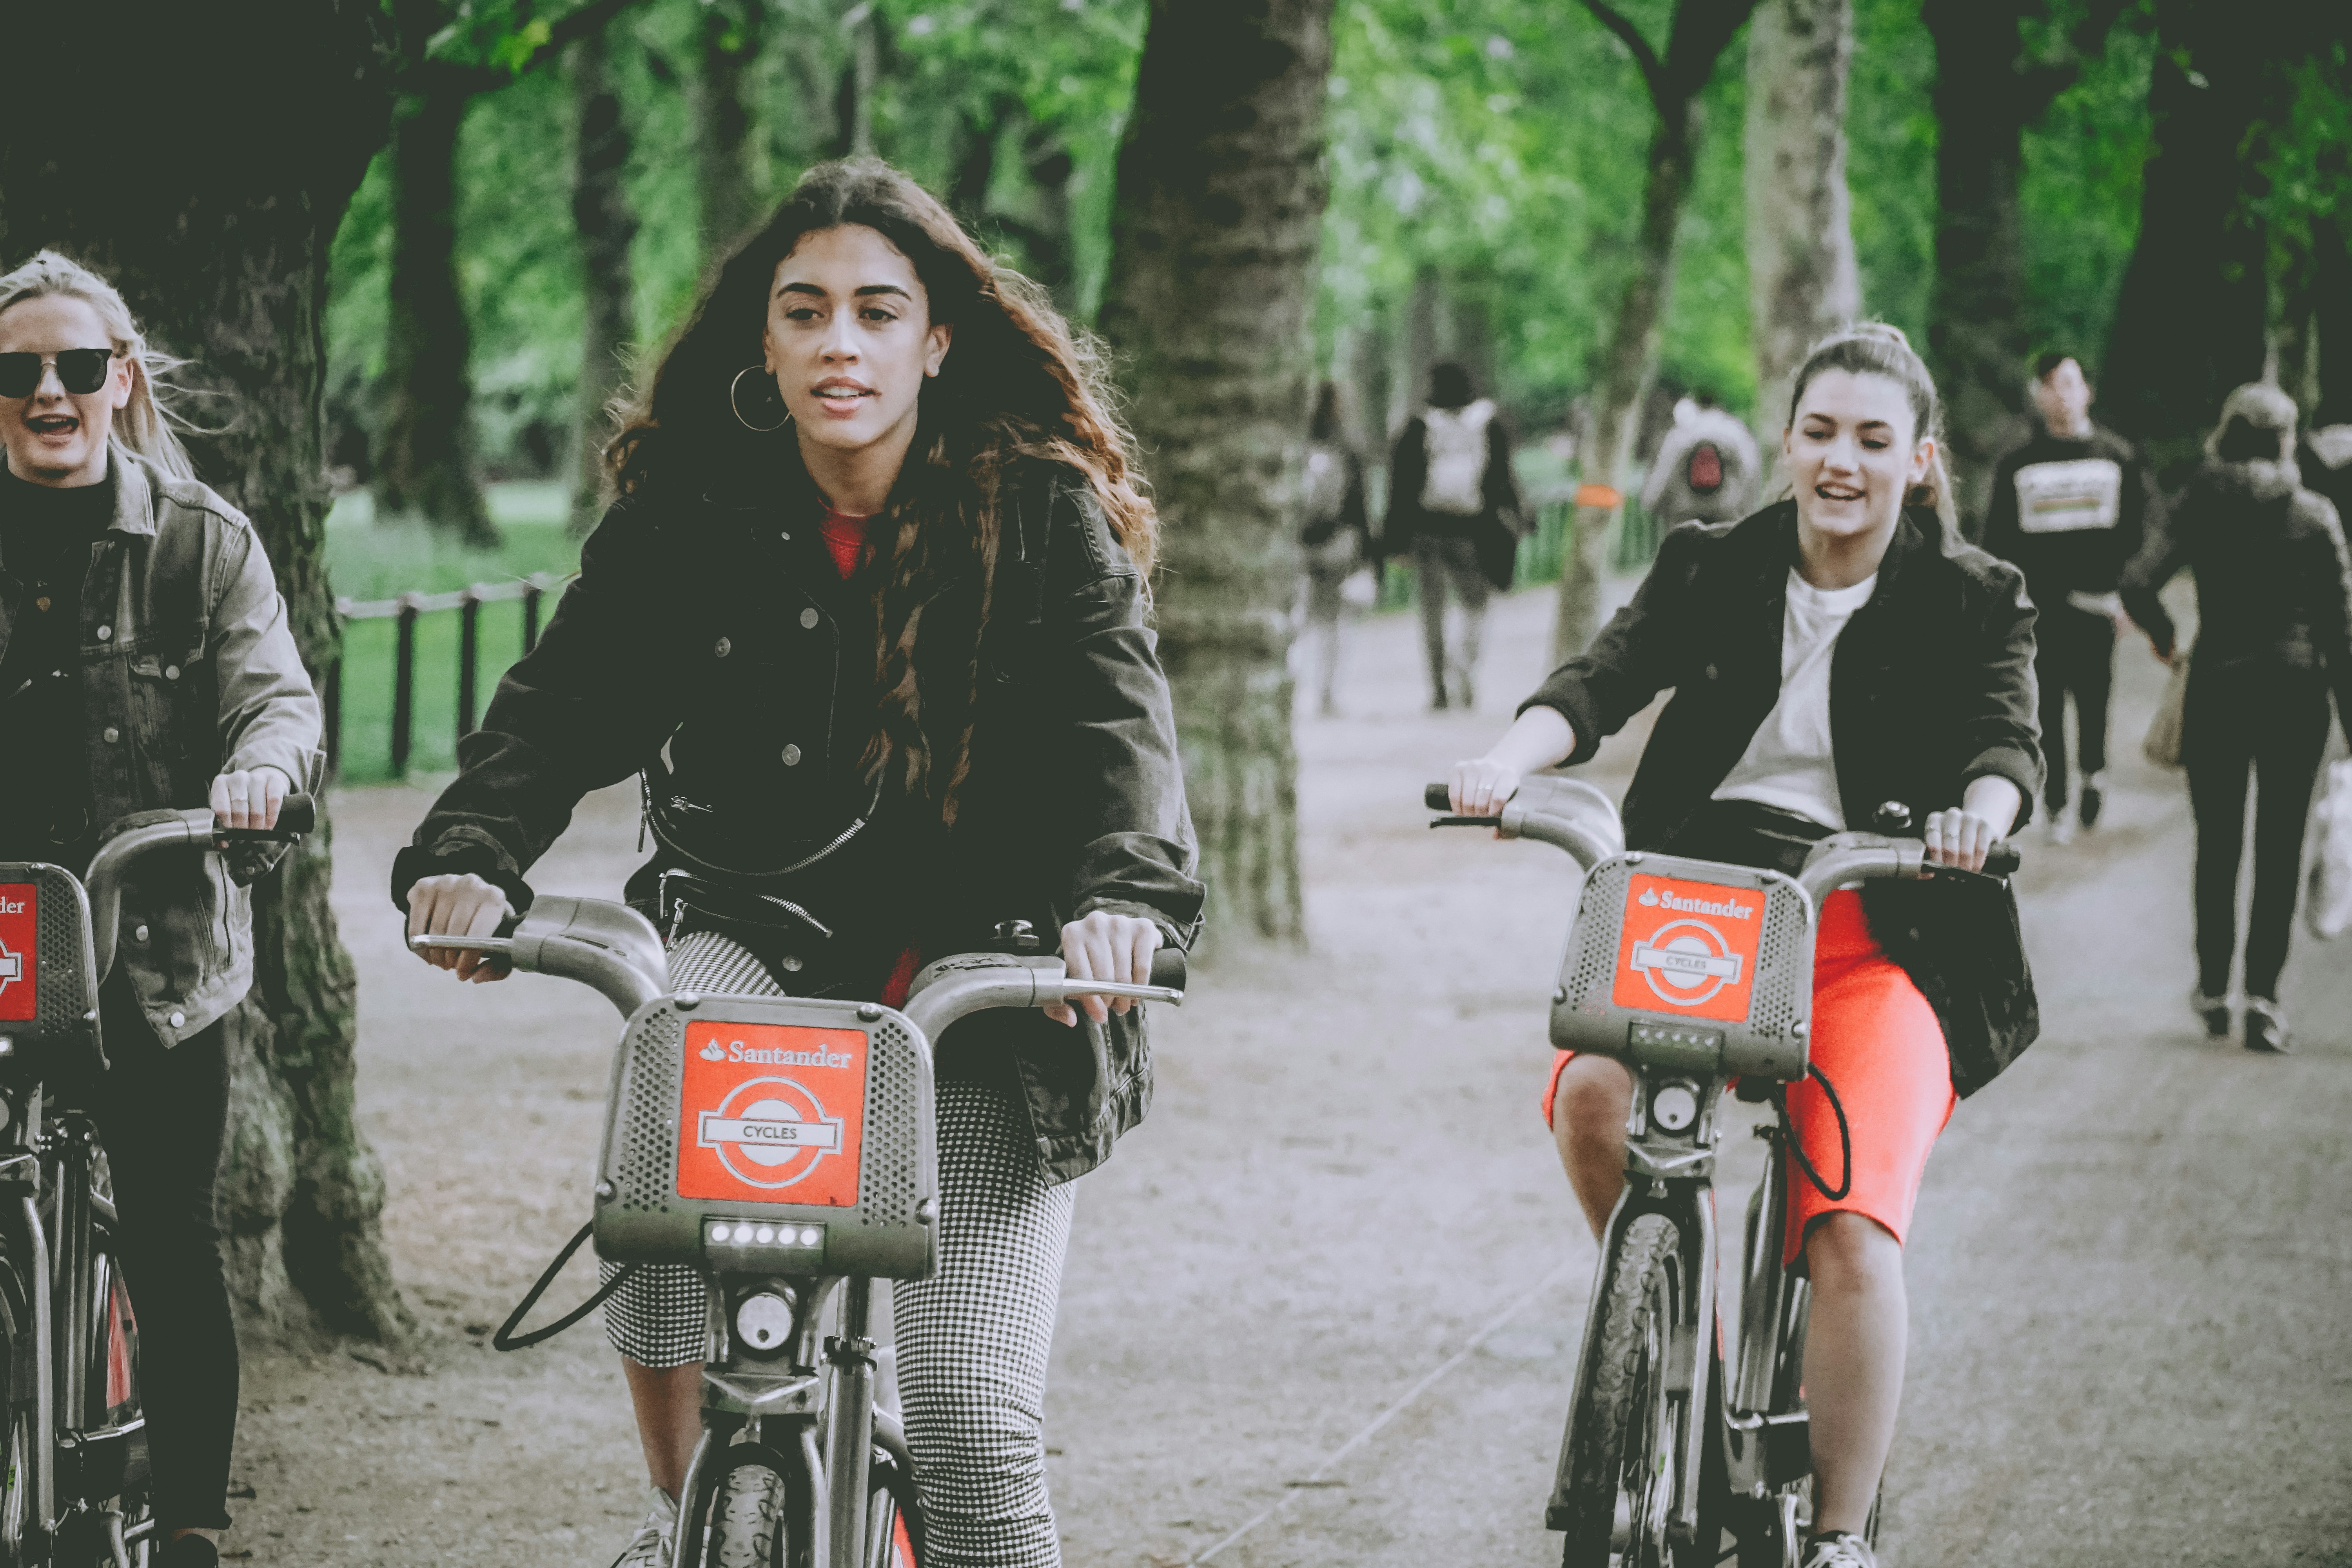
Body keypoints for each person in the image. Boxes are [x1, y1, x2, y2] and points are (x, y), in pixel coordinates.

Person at [395, 160, 1201, 1568]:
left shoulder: (1043, 513)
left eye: (877, 311)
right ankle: (687, 1514)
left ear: (935, 340)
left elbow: (1117, 728)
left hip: (993, 979)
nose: (841, 341)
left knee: (972, 1434)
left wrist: (1123, 897)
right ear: (763, 342)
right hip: (759, 930)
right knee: (657, 1201)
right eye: (806, 310)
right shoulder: (694, 513)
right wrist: (471, 847)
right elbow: (564, 702)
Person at [1448, 324, 2040, 1568]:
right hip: (1703, 905)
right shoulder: (1712, 562)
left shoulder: (1975, 597)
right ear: (1785, 440)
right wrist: (1506, 762)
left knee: (1846, 1222)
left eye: (1873, 441)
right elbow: (1602, 676)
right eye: (1819, 431)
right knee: (1593, 1104)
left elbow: (2005, 742)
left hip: (1882, 920)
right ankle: (1672, 1337)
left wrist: (1972, 826)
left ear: (1917, 461)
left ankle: (1833, 1539)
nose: (1841, 461)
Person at [0, 252, 322, 1568]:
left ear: (122, 380)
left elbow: (277, 696)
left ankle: (188, 1519)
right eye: (19, 372)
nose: (50, 390)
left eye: (79, 366)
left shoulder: (203, 541)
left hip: (155, 949)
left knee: (172, 1240)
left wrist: (258, 768)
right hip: (5, 936)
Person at [2121, 381, 2352, 1055]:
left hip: (2218, 687)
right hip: (2297, 695)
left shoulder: (2198, 505)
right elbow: (2342, 632)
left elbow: (2137, 581)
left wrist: (2167, 640)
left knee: (2217, 844)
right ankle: (2264, 1000)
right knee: (2279, 849)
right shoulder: (2315, 517)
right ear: (2287, 441)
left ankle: (2213, 988)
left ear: (2226, 434)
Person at [1978, 352, 2152, 842]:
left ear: (2087, 391)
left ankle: (2093, 778)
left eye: (2071, 383)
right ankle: (2055, 801)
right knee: (2045, 706)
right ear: (2039, 396)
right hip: (2039, 610)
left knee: (2095, 698)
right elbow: (1999, 542)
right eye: (2053, 385)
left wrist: (2127, 597)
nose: (2064, 394)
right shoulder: (2019, 464)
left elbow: (2138, 533)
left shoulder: (2116, 458)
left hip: (2097, 603)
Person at [1383, 361, 1524, 710]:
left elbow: (1400, 486)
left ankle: (1438, 688)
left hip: (1427, 529)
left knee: (1432, 610)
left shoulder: (1418, 425)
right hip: (1476, 529)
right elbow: (1505, 477)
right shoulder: (1491, 422)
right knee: (1476, 604)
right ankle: (1466, 666)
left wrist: (1394, 540)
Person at [1298, 379, 1371, 717]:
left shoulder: (1294, 445)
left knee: (1299, 617)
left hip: (1297, 544)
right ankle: (1326, 693)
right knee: (1332, 621)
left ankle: (1298, 689)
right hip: (1338, 543)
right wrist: (1367, 553)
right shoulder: (1347, 448)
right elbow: (1359, 505)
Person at [1640, 387, 1760, 526]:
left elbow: (1664, 472)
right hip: (1725, 509)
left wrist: (1651, 502)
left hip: (1686, 511)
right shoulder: (1735, 430)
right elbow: (1750, 469)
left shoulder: (1682, 432)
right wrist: (1747, 510)